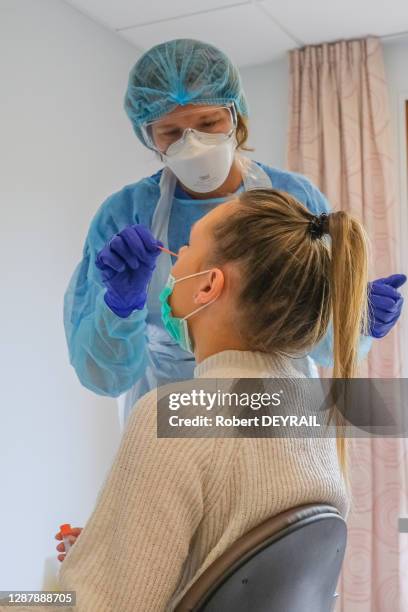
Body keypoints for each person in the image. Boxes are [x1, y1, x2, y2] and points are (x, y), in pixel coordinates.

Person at [55, 189, 370, 611]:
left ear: (208, 285)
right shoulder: (313, 412)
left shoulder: (169, 415)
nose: (175, 258)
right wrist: (112, 547)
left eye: (186, 249)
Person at [63, 38, 406, 426]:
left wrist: (355, 321)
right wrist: (119, 305)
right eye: (170, 132)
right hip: (177, 419)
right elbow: (104, 375)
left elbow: (322, 339)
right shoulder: (125, 216)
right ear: (148, 136)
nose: (192, 144)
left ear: (235, 115)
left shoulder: (294, 199)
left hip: (278, 416)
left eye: (209, 123)